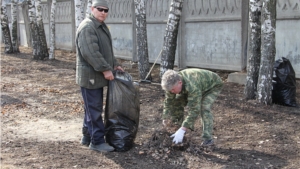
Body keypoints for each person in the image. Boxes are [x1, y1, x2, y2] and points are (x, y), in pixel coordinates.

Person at [75, 0, 124, 152]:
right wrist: (105, 69)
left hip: (95, 76)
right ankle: (97, 141)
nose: (103, 12)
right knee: (94, 110)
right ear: (92, 9)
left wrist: (114, 64)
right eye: (100, 9)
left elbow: (105, 50)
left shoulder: (100, 26)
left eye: (106, 10)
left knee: (91, 108)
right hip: (90, 76)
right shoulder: (88, 27)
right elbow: (91, 53)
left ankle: (87, 136)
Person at [161, 68, 223, 147]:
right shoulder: (171, 85)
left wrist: (183, 129)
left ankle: (208, 139)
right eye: (170, 91)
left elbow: (194, 110)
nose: (172, 92)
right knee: (177, 102)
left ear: (180, 83)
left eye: (173, 90)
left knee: (203, 107)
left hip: (212, 86)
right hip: (196, 85)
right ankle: (176, 128)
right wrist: (165, 117)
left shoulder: (192, 86)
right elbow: (169, 101)